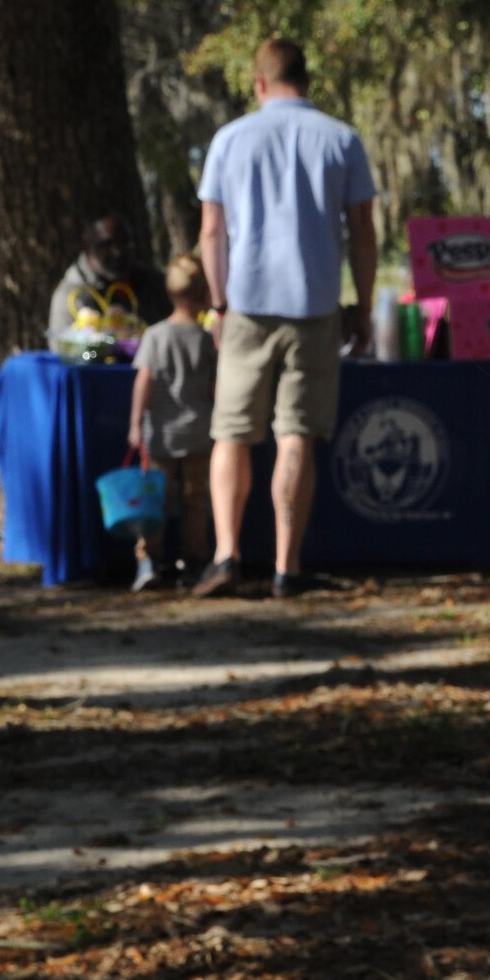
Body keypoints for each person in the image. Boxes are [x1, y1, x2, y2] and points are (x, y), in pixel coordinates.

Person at [194, 38, 377, 600]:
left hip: (245, 305)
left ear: (259, 82)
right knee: (296, 432)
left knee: (231, 432)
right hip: (315, 307)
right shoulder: (341, 139)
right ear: (307, 79)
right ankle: (285, 565)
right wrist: (363, 306)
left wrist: (218, 303)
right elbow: (362, 233)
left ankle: (226, 554)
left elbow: (210, 232)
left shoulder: (229, 139)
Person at [126, 254, 218, 590]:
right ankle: (194, 561)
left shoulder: (155, 336)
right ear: (203, 294)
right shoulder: (205, 339)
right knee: (196, 500)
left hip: (161, 433)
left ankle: (149, 561)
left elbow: (144, 381)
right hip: (198, 432)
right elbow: (213, 387)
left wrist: (136, 423)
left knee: (154, 501)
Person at [47, 213, 171, 339]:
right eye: (106, 245)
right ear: (87, 249)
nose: (118, 252)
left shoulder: (153, 282)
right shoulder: (71, 296)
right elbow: (64, 352)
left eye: (125, 242)